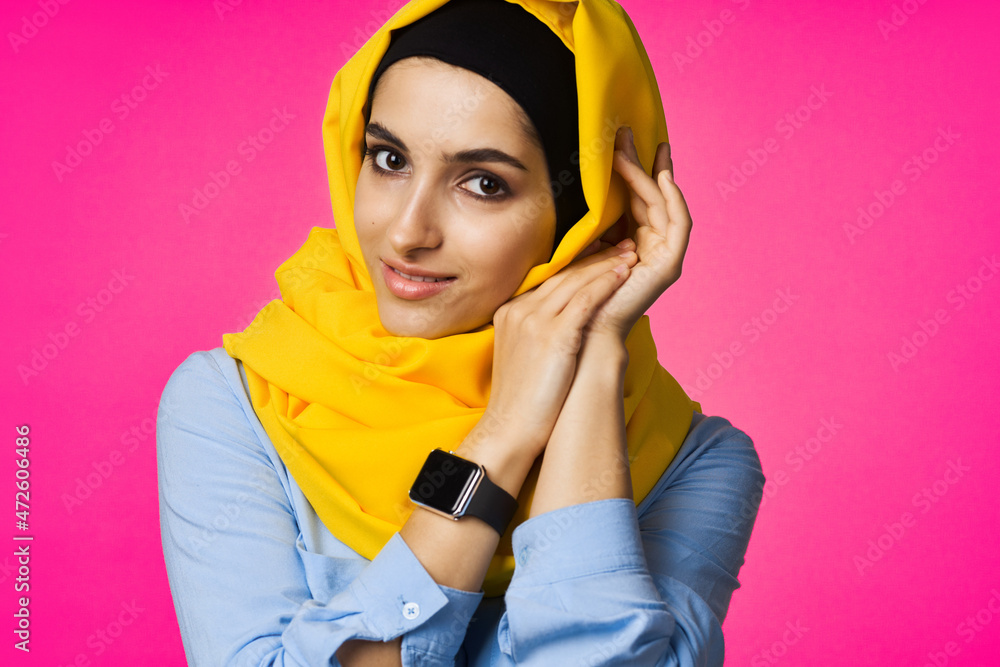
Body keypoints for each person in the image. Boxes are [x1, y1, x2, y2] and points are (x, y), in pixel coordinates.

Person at [156, 0, 766, 664]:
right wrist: (501, 434)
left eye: (482, 183)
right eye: (388, 159)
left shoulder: (695, 461)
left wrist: (591, 365)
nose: (407, 232)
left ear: (586, 214)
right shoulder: (239, 405)